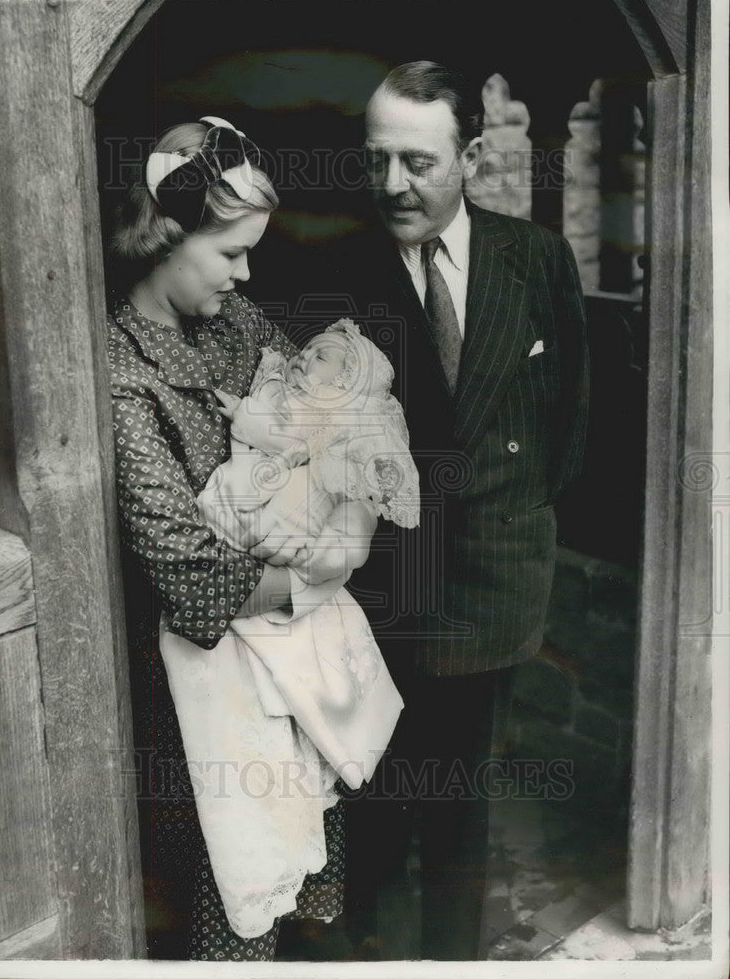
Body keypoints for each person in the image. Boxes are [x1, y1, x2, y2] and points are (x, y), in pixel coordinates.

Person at [322, 61, 589, 960]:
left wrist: (508, 524)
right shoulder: (335, 271)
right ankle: (365, 941)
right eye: (376, 161)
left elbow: (569, 424)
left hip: (492, 584)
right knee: (372, 795)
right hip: (381, 594)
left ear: (469, 155)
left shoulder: (537, 260)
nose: (391, 185)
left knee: (460, 805)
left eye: (417, 162)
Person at [107, 118, 376, 961]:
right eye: (230, 253)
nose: (247, 272)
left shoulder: (238, 322)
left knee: (299, 851)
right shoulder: (120, 372)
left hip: (288, 661)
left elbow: (338, 424)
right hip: (198, 688)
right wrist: (323, 575)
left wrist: (349, 519)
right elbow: (191, 578)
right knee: (229, 878)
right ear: (165, 236)